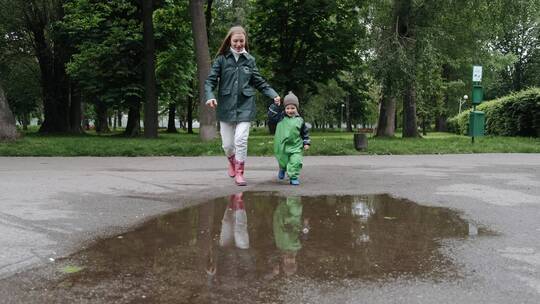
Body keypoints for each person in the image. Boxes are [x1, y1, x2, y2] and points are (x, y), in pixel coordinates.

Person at [205, 25, 281, 186]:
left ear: (245, 41)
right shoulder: (222, 59)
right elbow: (210, 81)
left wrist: (273, 94)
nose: (238, 44)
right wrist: (210, 96)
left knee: (240, 139)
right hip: (226, 106)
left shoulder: (250, 60)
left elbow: (259, 82)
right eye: (235, 41)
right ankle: (231, 161)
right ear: (229, 41)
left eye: (241, 40)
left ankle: (240, 172)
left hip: (246, 105)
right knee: (227, 145)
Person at [268, 91, 310, 185]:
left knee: (296, 161)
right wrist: (275, 105)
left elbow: (304, 132)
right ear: (284, 108)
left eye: (293, 108)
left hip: (296, 146)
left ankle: (293, 177)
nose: (290, 110)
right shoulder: (280, 117)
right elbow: (271, 115)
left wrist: (306, 142)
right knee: (283, 161)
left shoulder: (300, 120)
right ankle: (282, 168)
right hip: (282, 146)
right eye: (287, 108)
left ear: (297, 108)